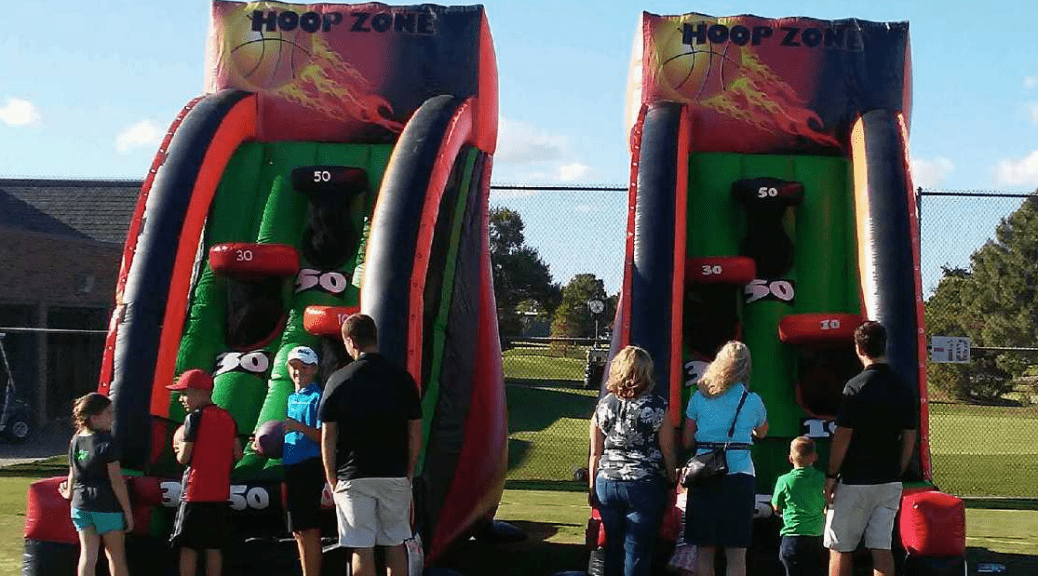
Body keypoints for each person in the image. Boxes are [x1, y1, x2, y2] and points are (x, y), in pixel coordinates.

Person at [320, 313, 422, 576]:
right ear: (374, 338)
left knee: (360, 547)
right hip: (394, 472)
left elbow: (328, 436)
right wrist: (408, 471)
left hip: (353, 476)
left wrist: (332, 477)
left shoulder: (339, 380)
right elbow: (414, 431)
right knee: (394, 544)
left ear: (351, 341)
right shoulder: (402, 378)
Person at [824, 321, 917, 576]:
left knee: (840, 547)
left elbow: (843, 435)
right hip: (888, 479)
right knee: (881, 548)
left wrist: (831, 475)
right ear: (884, 346)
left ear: (859, 349)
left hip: (855, 480)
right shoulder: (902, 386)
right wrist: (899, 468)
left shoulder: (855, 386)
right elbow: (910, 435)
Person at [588, 345, 677, 576]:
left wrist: (592, 487)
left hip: (607, 481)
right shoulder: (657, 406)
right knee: (636, 552)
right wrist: (671, 482)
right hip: (643, 483)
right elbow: (668, 450)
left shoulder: (604, 405)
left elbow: (595, 452)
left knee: (611, 549)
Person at [681, 340, 768, 576]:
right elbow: (762, 431)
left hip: (704, 474)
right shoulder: (752, 400)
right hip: (739, 476)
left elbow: (687, 441)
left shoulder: (699, 397)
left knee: (704, 551)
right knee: (737, 555)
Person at [167, 369, 243, 576]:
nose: (181, 399)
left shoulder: (194, 418)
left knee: (188, 546)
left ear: (200, 392)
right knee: (213, 546)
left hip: (195, 492)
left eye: (185, 393)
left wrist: (178, 447)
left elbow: (184, 457)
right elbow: (238, 454)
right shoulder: (228, 418)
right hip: (219, 492)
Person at [58, 393, 133, 576]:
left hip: (80, 505)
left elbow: (72, 471)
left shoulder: (76, 440)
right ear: (94, 417)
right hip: (106, 505)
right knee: (115, 557)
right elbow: (116, 481)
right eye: (108, 413)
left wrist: (68, 493)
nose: (112, 417)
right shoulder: (107, 442)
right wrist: (128, 513)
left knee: (87, 556)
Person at [282, 346, 325, 576]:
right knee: (298, 529)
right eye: (294, 367)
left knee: (308, 528)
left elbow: (323, 436)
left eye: (303, 367)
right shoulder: (291, 397)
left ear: (315, 369)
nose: (298, 372)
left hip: (309, 466)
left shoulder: (317, 396)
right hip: (292, 465)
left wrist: (296, 426)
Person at [772, 436, 826, 576]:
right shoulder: (821, 478)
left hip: (792, 538)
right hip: (816, 538)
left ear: (790, 458)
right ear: (815, 457)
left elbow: (776, 506)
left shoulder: (784, 480)